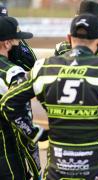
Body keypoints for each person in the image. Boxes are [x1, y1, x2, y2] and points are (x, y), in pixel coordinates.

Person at [0, 14, 98, 180]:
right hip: (95, 169)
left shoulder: (43, 67)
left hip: (57, 169)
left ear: (68, 38)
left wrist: (33, 132)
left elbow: (8, 103)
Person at [0, 4, 42, 180]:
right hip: (8, 161)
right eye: (17, 39)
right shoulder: (13, 74)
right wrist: (36, 170)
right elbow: (25, 131)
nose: (19, 44)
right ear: (7, 42)